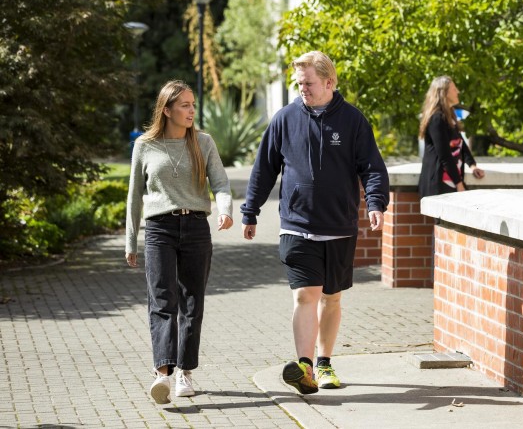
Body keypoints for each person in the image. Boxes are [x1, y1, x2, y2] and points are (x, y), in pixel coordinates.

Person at [240, 51, 389, 395]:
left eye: (308, 83)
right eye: (299, 83)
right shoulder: (285, 118)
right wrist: (250, 210)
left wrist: (376, 202)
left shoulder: (352, 121)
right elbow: (264, 169)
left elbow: (372, 167)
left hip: (338, 226)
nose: (302, 89)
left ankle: (324, 363)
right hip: (296, 224)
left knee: (332, 298)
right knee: (306, 294)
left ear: (329, 83)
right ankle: (305, 366)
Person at [125, 80, 233, 404]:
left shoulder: (203, 142)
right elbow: (134, 196)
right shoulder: (145, 145)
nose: (190, 111)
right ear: (167, 109)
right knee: (161, 301)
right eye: (184, 105)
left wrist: (225, 211)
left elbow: (222, 183)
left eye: (192, 105)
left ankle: (185, 371)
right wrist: (131, 241)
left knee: (192, 302)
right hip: (159, 228)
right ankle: (162, 374)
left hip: (196, 227)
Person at [418, 76, 485, 197]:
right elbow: (444, 155)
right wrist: (459, 184)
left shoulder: (449, 116)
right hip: (439, 184)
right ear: (444, 92)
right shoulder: (437, 118)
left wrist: (473, 165)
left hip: (450, 181)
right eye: (454, 89)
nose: (458, 92)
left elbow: (461, 144)